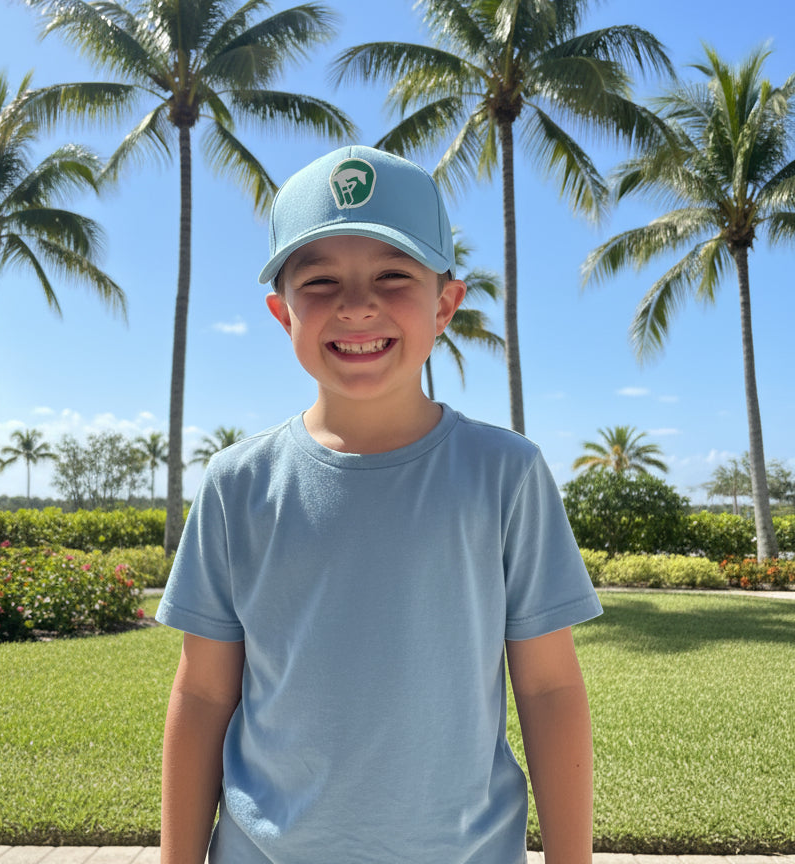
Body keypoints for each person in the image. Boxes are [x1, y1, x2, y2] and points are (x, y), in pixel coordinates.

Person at [156, 145, 603, 864]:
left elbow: (548, 688)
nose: (356, 304)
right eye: (321, 280)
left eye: (393, 276)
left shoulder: (504, 474)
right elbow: (205, 695)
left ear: (445, 305)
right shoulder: (236, 484)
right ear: (282, 313)